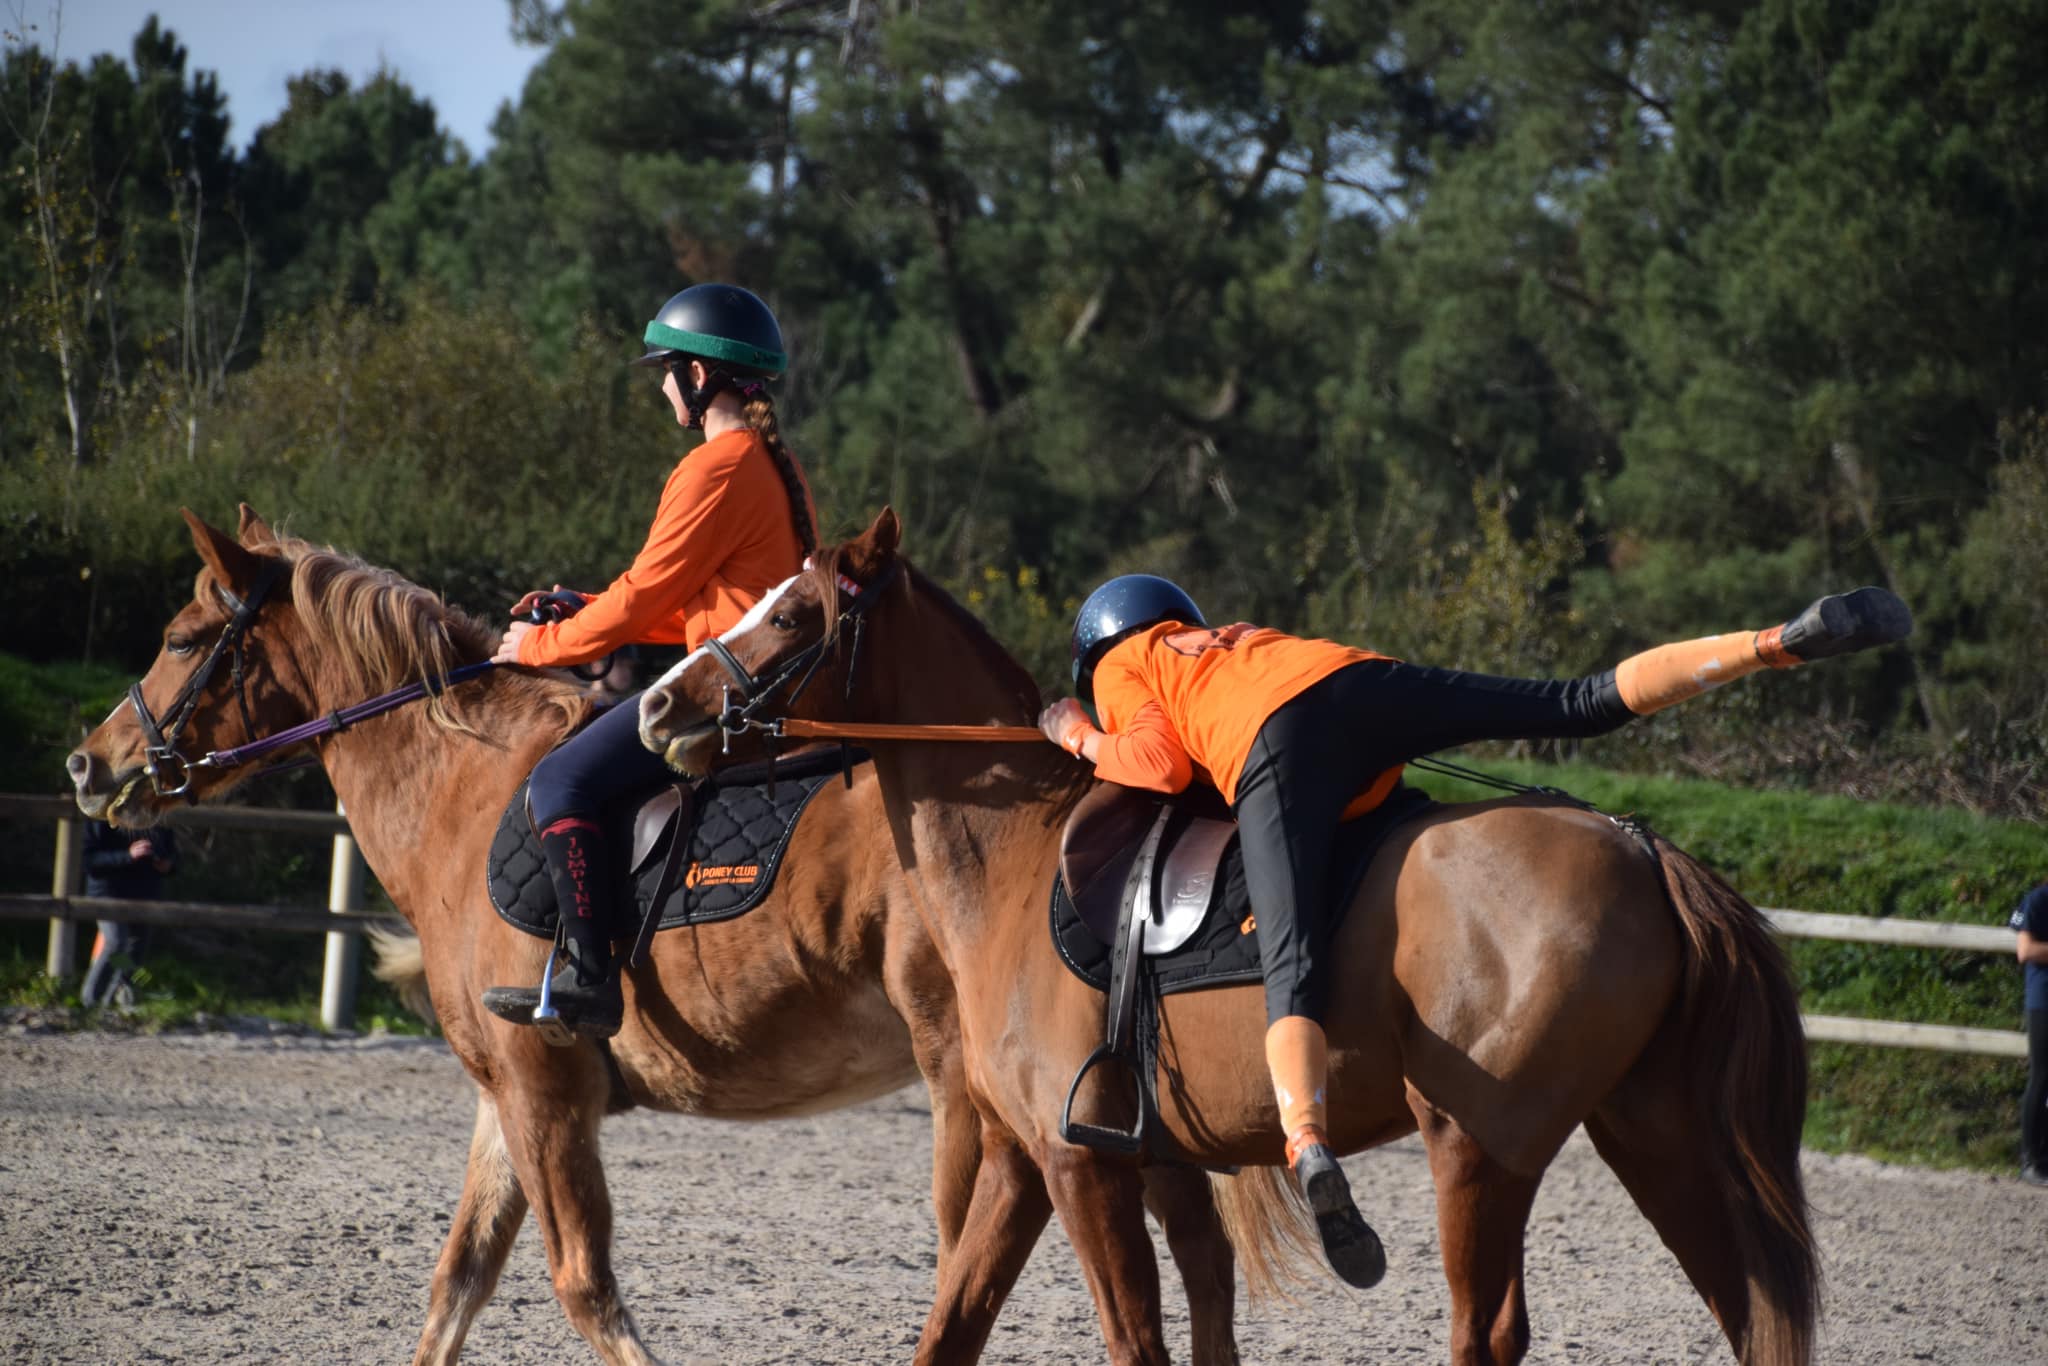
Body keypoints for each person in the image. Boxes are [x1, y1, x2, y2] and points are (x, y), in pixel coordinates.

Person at [1038, 575, 1913, 1286]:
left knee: (1290, 959)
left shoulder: (1123, 661)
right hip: (1351, 681)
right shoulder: (1233, 636)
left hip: (1276, 744)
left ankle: (1307, 1148)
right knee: (1574, 702)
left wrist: (1079, 733)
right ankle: (1774, 642)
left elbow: (1156, 762)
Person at [481, 283, 816, 1040]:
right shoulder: (773, 464)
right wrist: (584, 605)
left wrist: (538, 647)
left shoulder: (715, 467)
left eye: (667, 368)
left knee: (560, 777)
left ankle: (590, 974)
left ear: (699, 376)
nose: (662, 384)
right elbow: (701, 600)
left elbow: (640, 601)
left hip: (725, 695)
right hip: (754, 676)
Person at [80, 819, 177, 1009]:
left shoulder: (157, 815)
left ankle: (115, 997)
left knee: (135, 949)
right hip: (109, 892)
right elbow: (90, 861)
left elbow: (172, 854)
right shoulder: (102, 816)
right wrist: (127, 855)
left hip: (144, 892)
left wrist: (168, 864)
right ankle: (90, 999)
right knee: (116, 941)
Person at [2010, 881, 2048, 1188]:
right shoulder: (2038, 900)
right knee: (2042, 1076)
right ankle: (2030, 1159)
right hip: (2044, 1001)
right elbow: (2026, 950)